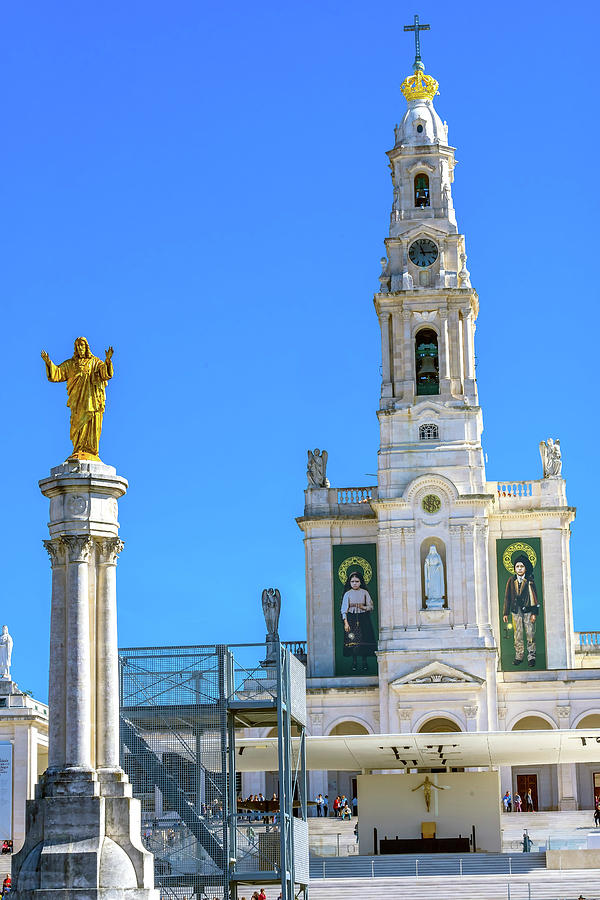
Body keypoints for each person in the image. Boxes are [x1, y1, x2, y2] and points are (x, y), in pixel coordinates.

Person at [41, 337, 114, 461]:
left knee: (92, 422)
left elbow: (105, 374)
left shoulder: (95, 362)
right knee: (76, 424)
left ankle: (90, 450)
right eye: (78, 346)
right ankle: (78, 449)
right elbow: (57, 373)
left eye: (82, 345)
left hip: (92, 400)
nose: (80, 348)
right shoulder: (71, 364)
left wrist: (107, 360)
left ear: (86, 348)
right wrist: (48, 362)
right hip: (77, 402)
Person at [503, 554, 539, 667]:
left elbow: (534, 597)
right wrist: (505, 612)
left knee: (530, 633)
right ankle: (519, 656)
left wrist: (534, 613)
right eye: (517, 566)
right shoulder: (511, 580)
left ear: (525, 568)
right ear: (514, 568)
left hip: (528, 610)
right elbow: (507, 597)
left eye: (521, 566)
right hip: (515, 611)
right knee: (517, 634)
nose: (519, 568)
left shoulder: (529, 581)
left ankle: (531, 656)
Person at [341, 569, 376, 672]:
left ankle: (364, 662)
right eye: (352, 581)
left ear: (360, 582)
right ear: (349, 582)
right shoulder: (347, 594)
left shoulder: (365, 593)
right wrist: (345, 622)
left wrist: (363, 607)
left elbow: (371, 606)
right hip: (351, 618)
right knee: (353, 640)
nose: (355, 583)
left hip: (363, 618)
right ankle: (354, 662)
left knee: (364, 640)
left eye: (357, 581)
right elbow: (344, 609)